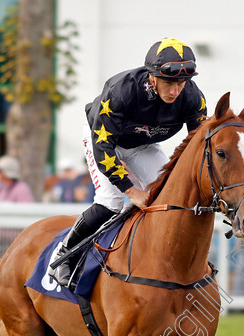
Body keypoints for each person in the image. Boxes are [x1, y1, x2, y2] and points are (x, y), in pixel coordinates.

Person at [49, 37, 207, 288]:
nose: (175, 91)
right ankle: (62, 256)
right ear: (152, 77)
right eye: (169, 82)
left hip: (142, 145)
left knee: (172, 196)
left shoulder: (193, 98)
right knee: (110, 202)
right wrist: (131, 191)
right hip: (104, 140)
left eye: (181, 82)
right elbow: (103, 147)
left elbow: (199, 147)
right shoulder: (121, 90)